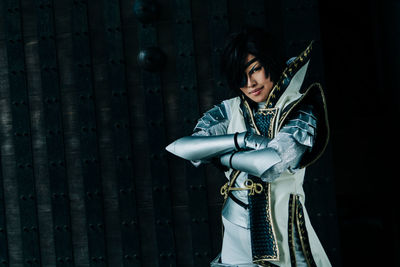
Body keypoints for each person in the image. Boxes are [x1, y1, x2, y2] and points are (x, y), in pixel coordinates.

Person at [166, 26, 332, 267]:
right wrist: (242, 139)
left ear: (270, 63)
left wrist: (221, 157)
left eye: (255, 69)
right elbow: (183, 148)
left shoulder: (300, 110)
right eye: (240, 76)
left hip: (283, 228)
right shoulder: (230, 109)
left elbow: (271, 164)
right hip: (235, 230)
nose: (250, 83)